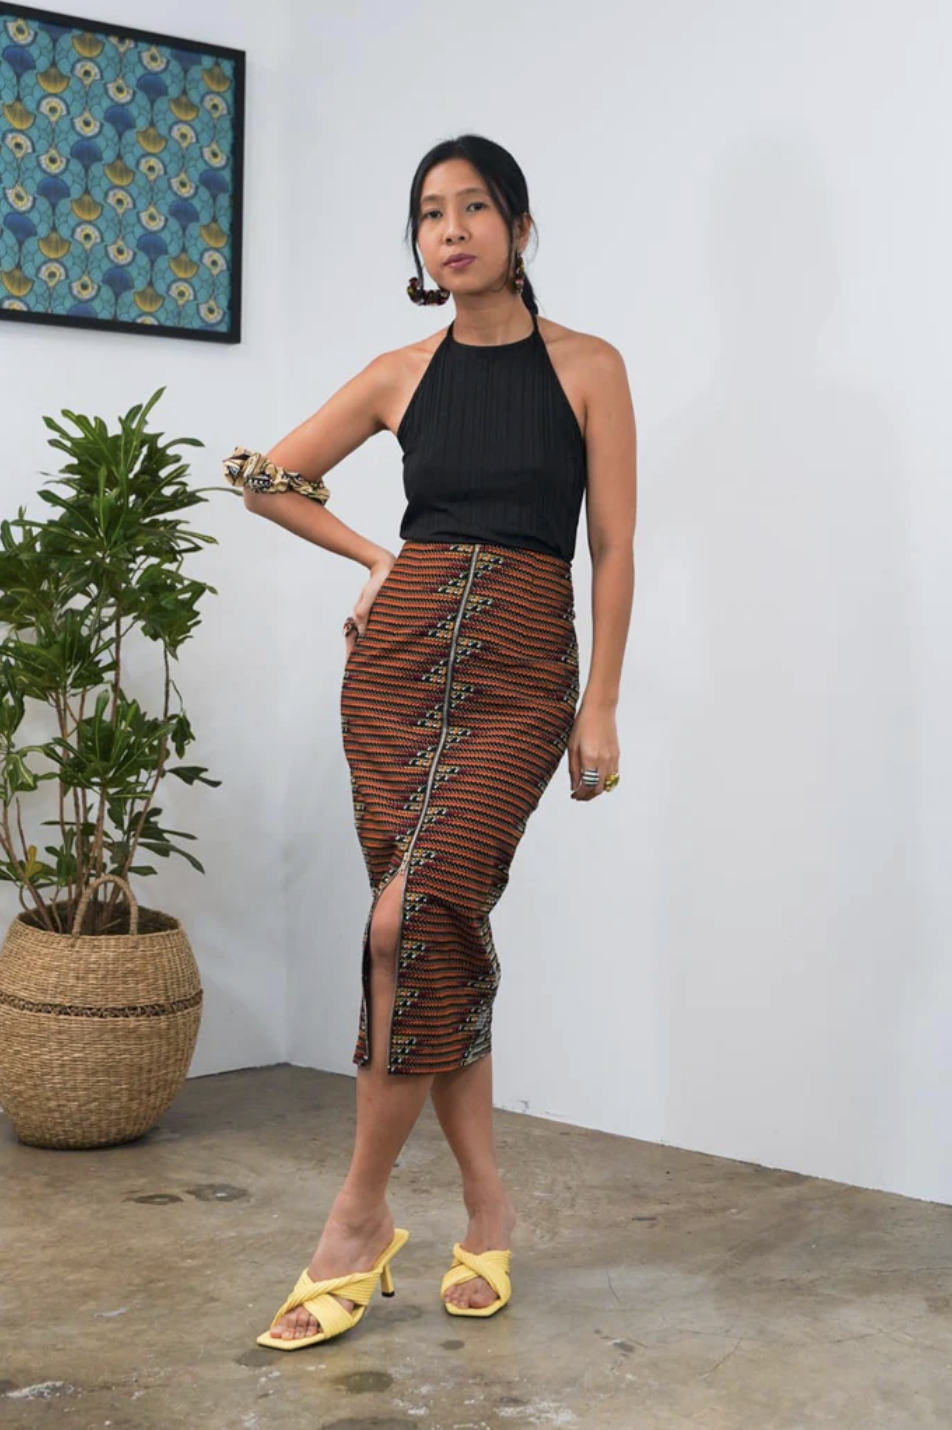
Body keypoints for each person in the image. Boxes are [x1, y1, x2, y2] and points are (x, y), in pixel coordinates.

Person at [223, 133, 637, 1349]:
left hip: (520, 672)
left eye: (473, 208)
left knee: (405, 925)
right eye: (428, 214)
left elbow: (612, 544)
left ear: (518, 225)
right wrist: (376, 558)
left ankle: (355, 1219)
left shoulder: (589, 366)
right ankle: (487, 1207)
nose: (449, 230)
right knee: (424, 935)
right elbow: (260, 475)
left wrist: (600, 700)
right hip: (395, 674)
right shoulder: (398, 373)